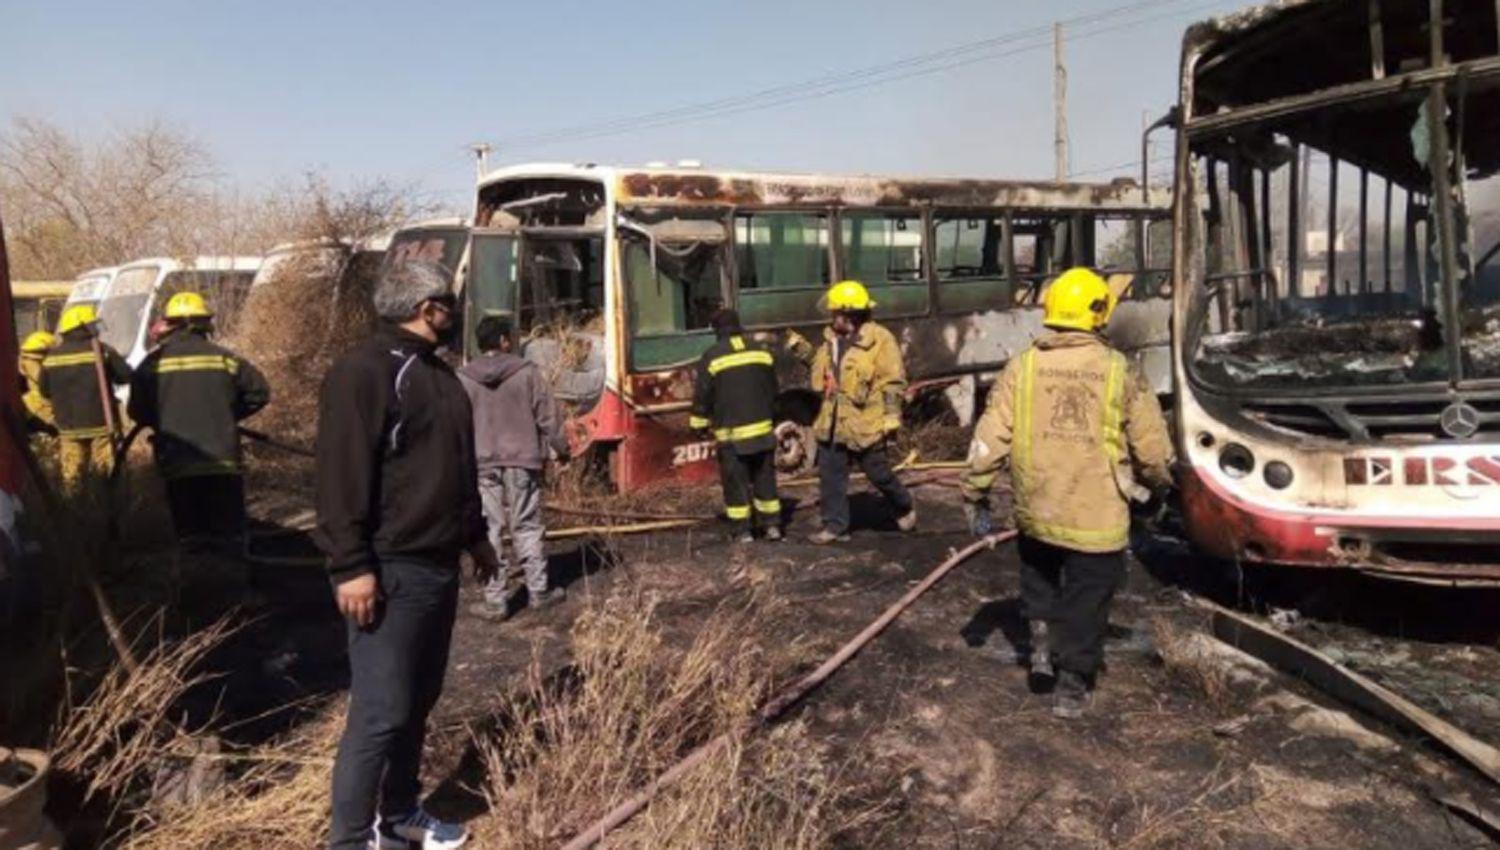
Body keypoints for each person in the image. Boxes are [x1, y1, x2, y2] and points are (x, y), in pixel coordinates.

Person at [314, 260, 501, 850]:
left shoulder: (441, 378)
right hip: (388, 568)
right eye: (450, 302)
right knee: (381, 711)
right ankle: (348, 840)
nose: (455, 312)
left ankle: (400, 817)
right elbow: (341, 475)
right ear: (429, 307)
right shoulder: (364, 373)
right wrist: (351, 566)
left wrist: (476, 536)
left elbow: (457, 470)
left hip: (436, 568)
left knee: (417, 702)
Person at [961, 267, 1173, 719]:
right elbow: (1153, 450)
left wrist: (975, 491)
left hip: (1036, 507)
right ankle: (1071, 686)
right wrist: (1159, 488)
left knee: (1038, 577)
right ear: (1099, 313)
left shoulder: (1024, 366)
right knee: (1087, 598)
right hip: (1095, 518)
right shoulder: (1120, 372)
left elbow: (989, 436)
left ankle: (1039, 650)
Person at [128, 292, 270, 551]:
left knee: (190, 536)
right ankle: (234, 583)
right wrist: (226, 414)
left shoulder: (150, 365)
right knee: (228, 535)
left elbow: (136, 411)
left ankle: (195, 584)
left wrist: (163, 419)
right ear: (205, 324)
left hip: (177, 463)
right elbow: (260, 392)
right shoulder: (225, 359)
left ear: (169, 323)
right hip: (222, 462)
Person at [785, 280, 915, 544]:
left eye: (836, 313)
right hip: (831, 422)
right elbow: (821, 369)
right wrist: (803, 350)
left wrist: (891, 416)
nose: (832, 318)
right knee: (831, 478)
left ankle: (903, 504)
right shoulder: (831, 340)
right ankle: (835, 527)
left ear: (850, 314)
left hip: (865, 424)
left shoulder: (880, 340)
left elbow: (892, 381)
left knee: (878, 474)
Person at [459, 314, 570, 621]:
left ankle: (495, 602)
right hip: (523, 460)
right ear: (505, 341)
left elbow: (456, 425)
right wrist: (562, 449)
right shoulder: (528, 373)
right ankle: (539, 592)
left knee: (489, 528)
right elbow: (549, 416)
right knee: (527, 524)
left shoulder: (464, 378)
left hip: (482, 463)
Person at [690, 308, 782, 543]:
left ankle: (743, 531)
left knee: (736, 484)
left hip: (732, 436)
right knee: (765, 480)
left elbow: (703, 394)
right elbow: (774, 390)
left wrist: (698, 424)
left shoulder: (712, 356)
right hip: (763, 432)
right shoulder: (762, 352)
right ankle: (772, 526)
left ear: (717, 331)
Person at [39, 304, 129, 493]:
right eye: (92, 324)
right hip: (101, 425)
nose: (95, 329)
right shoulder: (102, 351)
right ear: (83, 327)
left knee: (72, 476)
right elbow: (125, 375)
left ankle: (75, 512)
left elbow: (44, 391)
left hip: (68, 426)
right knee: (105, 472)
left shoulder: (51, 357)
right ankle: (106, 506)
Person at [19, 331, 58, 435]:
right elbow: (42, 381)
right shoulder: (31, 363)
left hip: (47, 408)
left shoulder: (29, 363)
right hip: (40, 410)